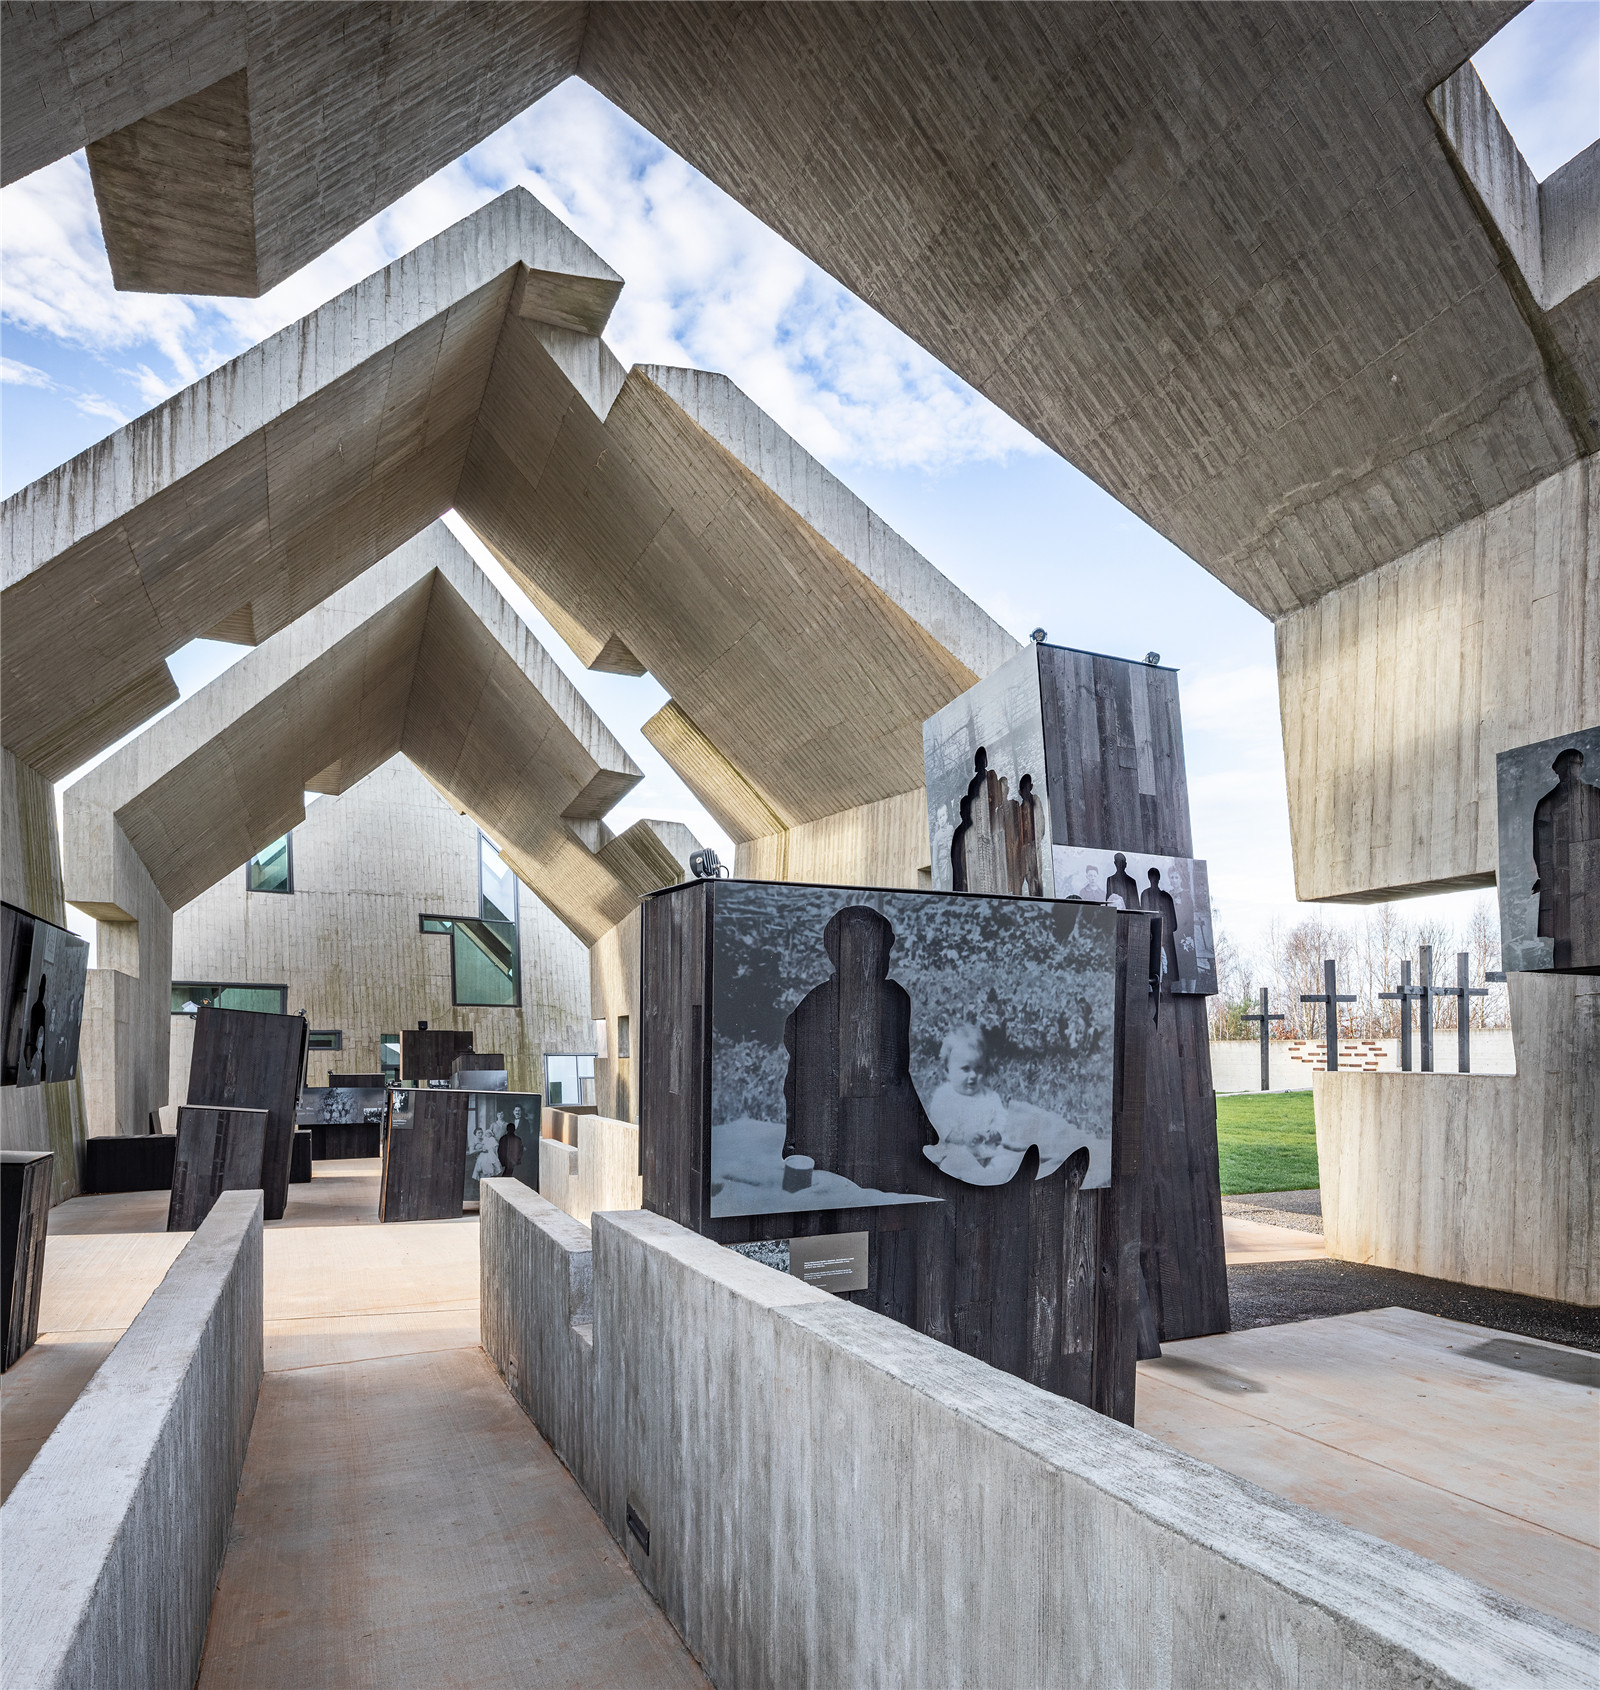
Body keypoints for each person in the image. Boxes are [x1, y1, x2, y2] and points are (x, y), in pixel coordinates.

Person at [922, 1024, 1016, 1183]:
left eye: (979, 1068)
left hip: (987, 1154)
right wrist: (963, 1138)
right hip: (956, 1153)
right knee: (953, 1162)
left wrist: (996, 1132)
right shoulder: (944, 1096)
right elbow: (939, 1126)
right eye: (966, 1069)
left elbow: (1002, 1119)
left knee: (1009, 1158)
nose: (973, 1075)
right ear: (947, 1069)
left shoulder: (990, 1096)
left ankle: (987, 1178)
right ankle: (983, 1181)